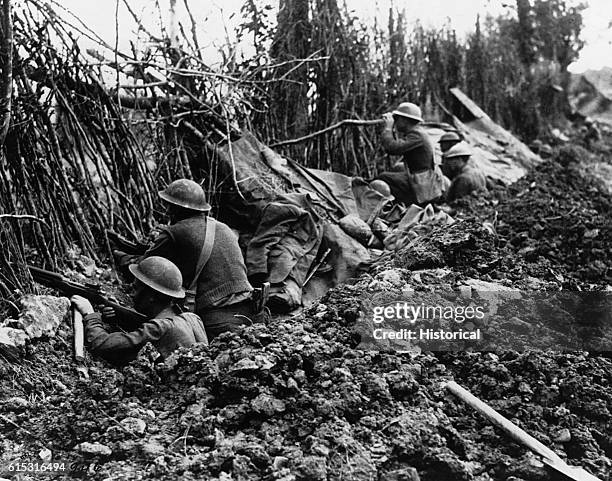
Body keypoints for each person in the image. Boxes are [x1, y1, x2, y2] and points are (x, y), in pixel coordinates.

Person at [114, 179, 259, 339]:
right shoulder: (224, 228)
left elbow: (145, 269)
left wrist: (120, 257)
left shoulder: (175, 232)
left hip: (216, 318)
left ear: (175, 208)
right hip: (252, 310)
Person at [71, 256, 208, 366]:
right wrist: (120, 319)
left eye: (136, 288)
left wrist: (90, 314)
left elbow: (101, 344)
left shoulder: (159, 328)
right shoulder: (192, 318)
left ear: (151, 297)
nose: (131, 294)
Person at [376, 102, 446, 205]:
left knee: (384, 177)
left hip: (423, 184)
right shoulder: (417, 133)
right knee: (397, 169)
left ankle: (399, 205)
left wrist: (387, 128)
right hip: (422, 179)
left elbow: (392, 148)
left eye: (397, 119)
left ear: (405, 120)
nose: (395, 122)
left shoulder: (417, 135)